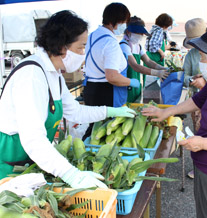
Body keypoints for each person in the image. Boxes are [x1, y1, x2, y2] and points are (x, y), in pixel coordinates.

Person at [0, 10, 136, 188]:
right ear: (62, 46)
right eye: (81, 47)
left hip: (31, 160)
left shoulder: (54, 74)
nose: (83, 53)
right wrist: (71, 174)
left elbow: (76, 112)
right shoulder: (32, 75)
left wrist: (110, 111)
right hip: (9, 165)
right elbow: (33, 138)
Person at [142, 24, 207, 218]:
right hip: (205, 161)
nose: (199, 61)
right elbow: (198, 100)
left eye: (202, 57)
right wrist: (167, 112)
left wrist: (201, 143)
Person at [83, 2, 140, 108]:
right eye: (123, 22)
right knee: (109, 124)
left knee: (94, 124)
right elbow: (112, 76)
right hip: (107, 92)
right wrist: (131, 82)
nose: (124, 26)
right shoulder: (110, 42)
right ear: (113, 20)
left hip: (90, 89)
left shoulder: (92, 35)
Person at [119, 16, 169, 102]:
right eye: (138, 33)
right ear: (128, 31)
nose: (141, 36)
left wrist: (161, 68)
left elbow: (148, 61)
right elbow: (135, 66)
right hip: (126, 84)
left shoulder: (138, 46)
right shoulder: (124, 45)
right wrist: (156, 73)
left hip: (136, 83)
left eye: (142, 33)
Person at [182, 18, 207, 179]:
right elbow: (183, 77)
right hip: (197, 101)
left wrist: (205, 80)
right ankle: (198, 167)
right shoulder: (191, 55)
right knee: (199, 132)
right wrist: (193, 80)